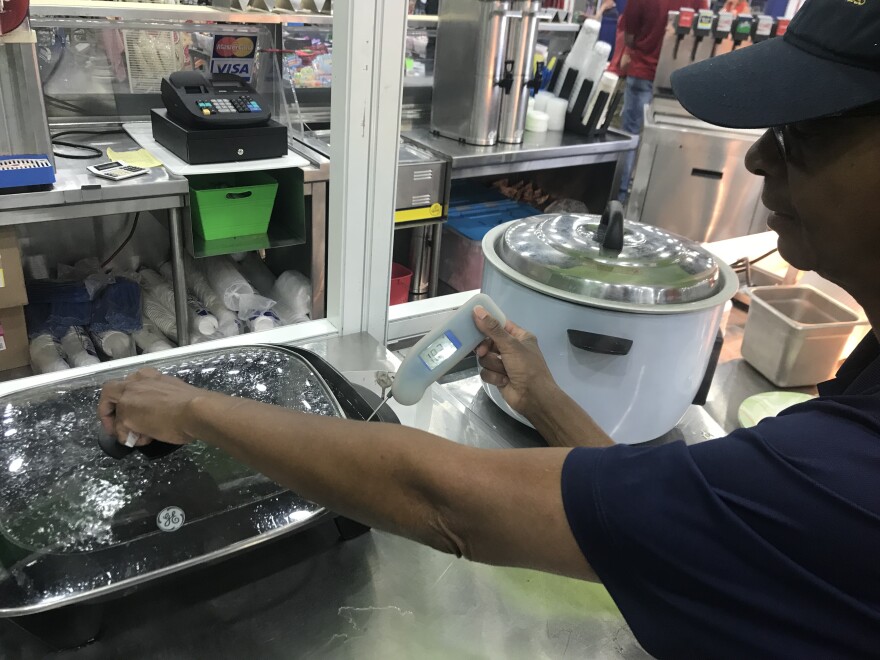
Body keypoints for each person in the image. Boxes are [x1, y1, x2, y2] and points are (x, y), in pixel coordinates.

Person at [100, 0, 880, 654]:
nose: (759, 163)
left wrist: (191, 406)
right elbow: (655, 519)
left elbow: (447, 504)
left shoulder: (840, 475)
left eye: (805, 132)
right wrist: (546, 402)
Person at [614, 0, 708, 202]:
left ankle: (620, 195)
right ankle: (656, 197)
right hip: (676, 77)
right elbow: (702, 28)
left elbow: (629, 37)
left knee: (630, 135)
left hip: (642, 70)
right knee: (669, 138)